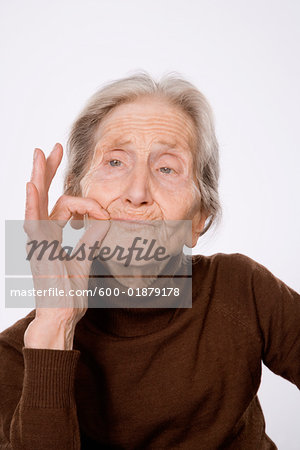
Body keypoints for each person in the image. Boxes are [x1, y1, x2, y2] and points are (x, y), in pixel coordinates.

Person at [0, 71, 299, 449]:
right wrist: (55, 326)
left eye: (167, 168)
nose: (138, 192)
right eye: (114, 163)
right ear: (76, 198)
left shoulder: (244, 290)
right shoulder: (16, 356)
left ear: (198, 218)